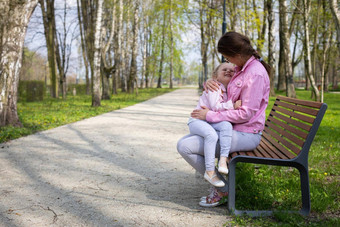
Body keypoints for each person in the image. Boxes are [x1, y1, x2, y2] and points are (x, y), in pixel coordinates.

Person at [177, 31, 271, 207]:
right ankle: (220, 184)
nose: (227, 62)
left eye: (227, 57)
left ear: (235, 54)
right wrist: (210, 83)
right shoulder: (242, 68)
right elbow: (224, 84)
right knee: (185, 143)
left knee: (184, 146)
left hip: (247, 133)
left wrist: (210, 115)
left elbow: (246, 113)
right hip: (233, 129)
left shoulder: (255, 74)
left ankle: (223, 189)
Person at [188, 62, 241, 188]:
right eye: (224, 69)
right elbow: (215, 107)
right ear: (215, 76)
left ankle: (223, 160)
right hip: (197, 121)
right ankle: (210, 171)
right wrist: (232, 106)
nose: (228, 71)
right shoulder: (215, 87)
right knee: (211, 135)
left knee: (226, 126)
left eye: (231, 70)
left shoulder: (228, 90)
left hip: (210, 120)